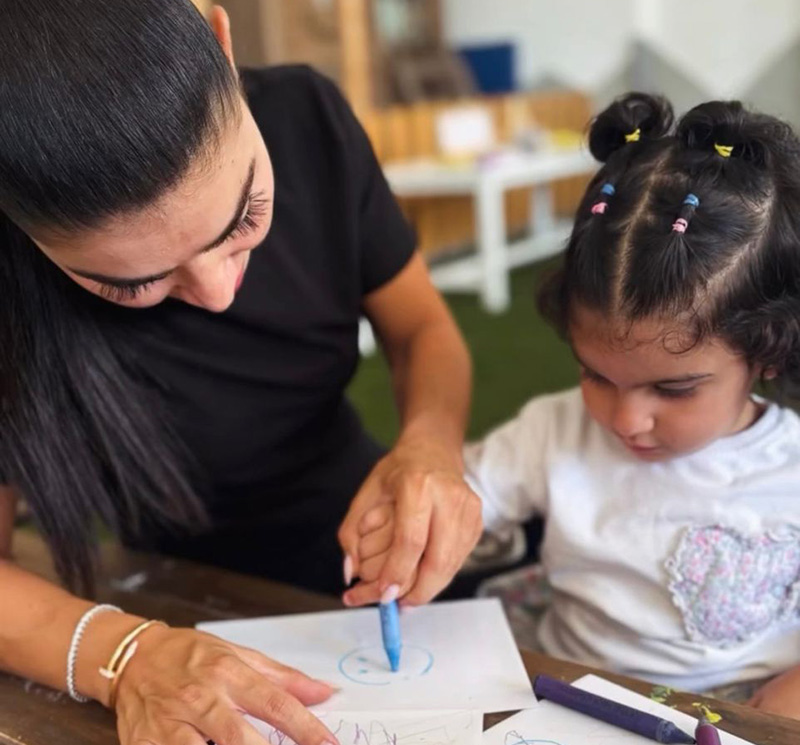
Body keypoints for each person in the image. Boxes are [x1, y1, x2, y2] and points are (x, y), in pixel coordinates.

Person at [0, 1, 482, 743]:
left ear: (220, 45)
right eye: (137, 282)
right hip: (171, 591)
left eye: (244, 215)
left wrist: (430, 445)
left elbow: (423, 330)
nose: (220, 292)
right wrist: (125, 656)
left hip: (364, 548)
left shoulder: (307, 117)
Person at [351, 93, 800, 719]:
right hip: (571, 698)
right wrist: (410, 526)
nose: (625, 420)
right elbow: (458, 498)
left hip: (743, 710)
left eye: (672, 390)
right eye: (596, 374)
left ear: (769, 350)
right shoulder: (552, 431)